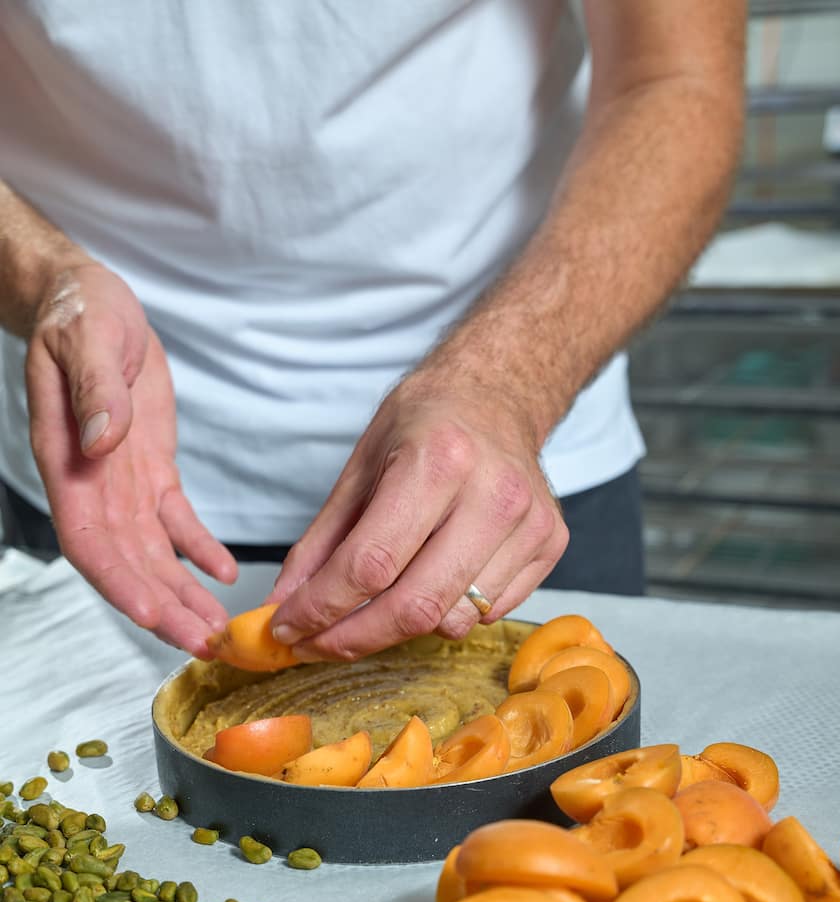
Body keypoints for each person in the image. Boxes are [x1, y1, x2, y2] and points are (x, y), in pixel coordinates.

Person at [0, 1, 746, 662]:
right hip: (103, 475)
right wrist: (40, 278)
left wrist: (506, 381)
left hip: (513, 458)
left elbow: (675, 82)